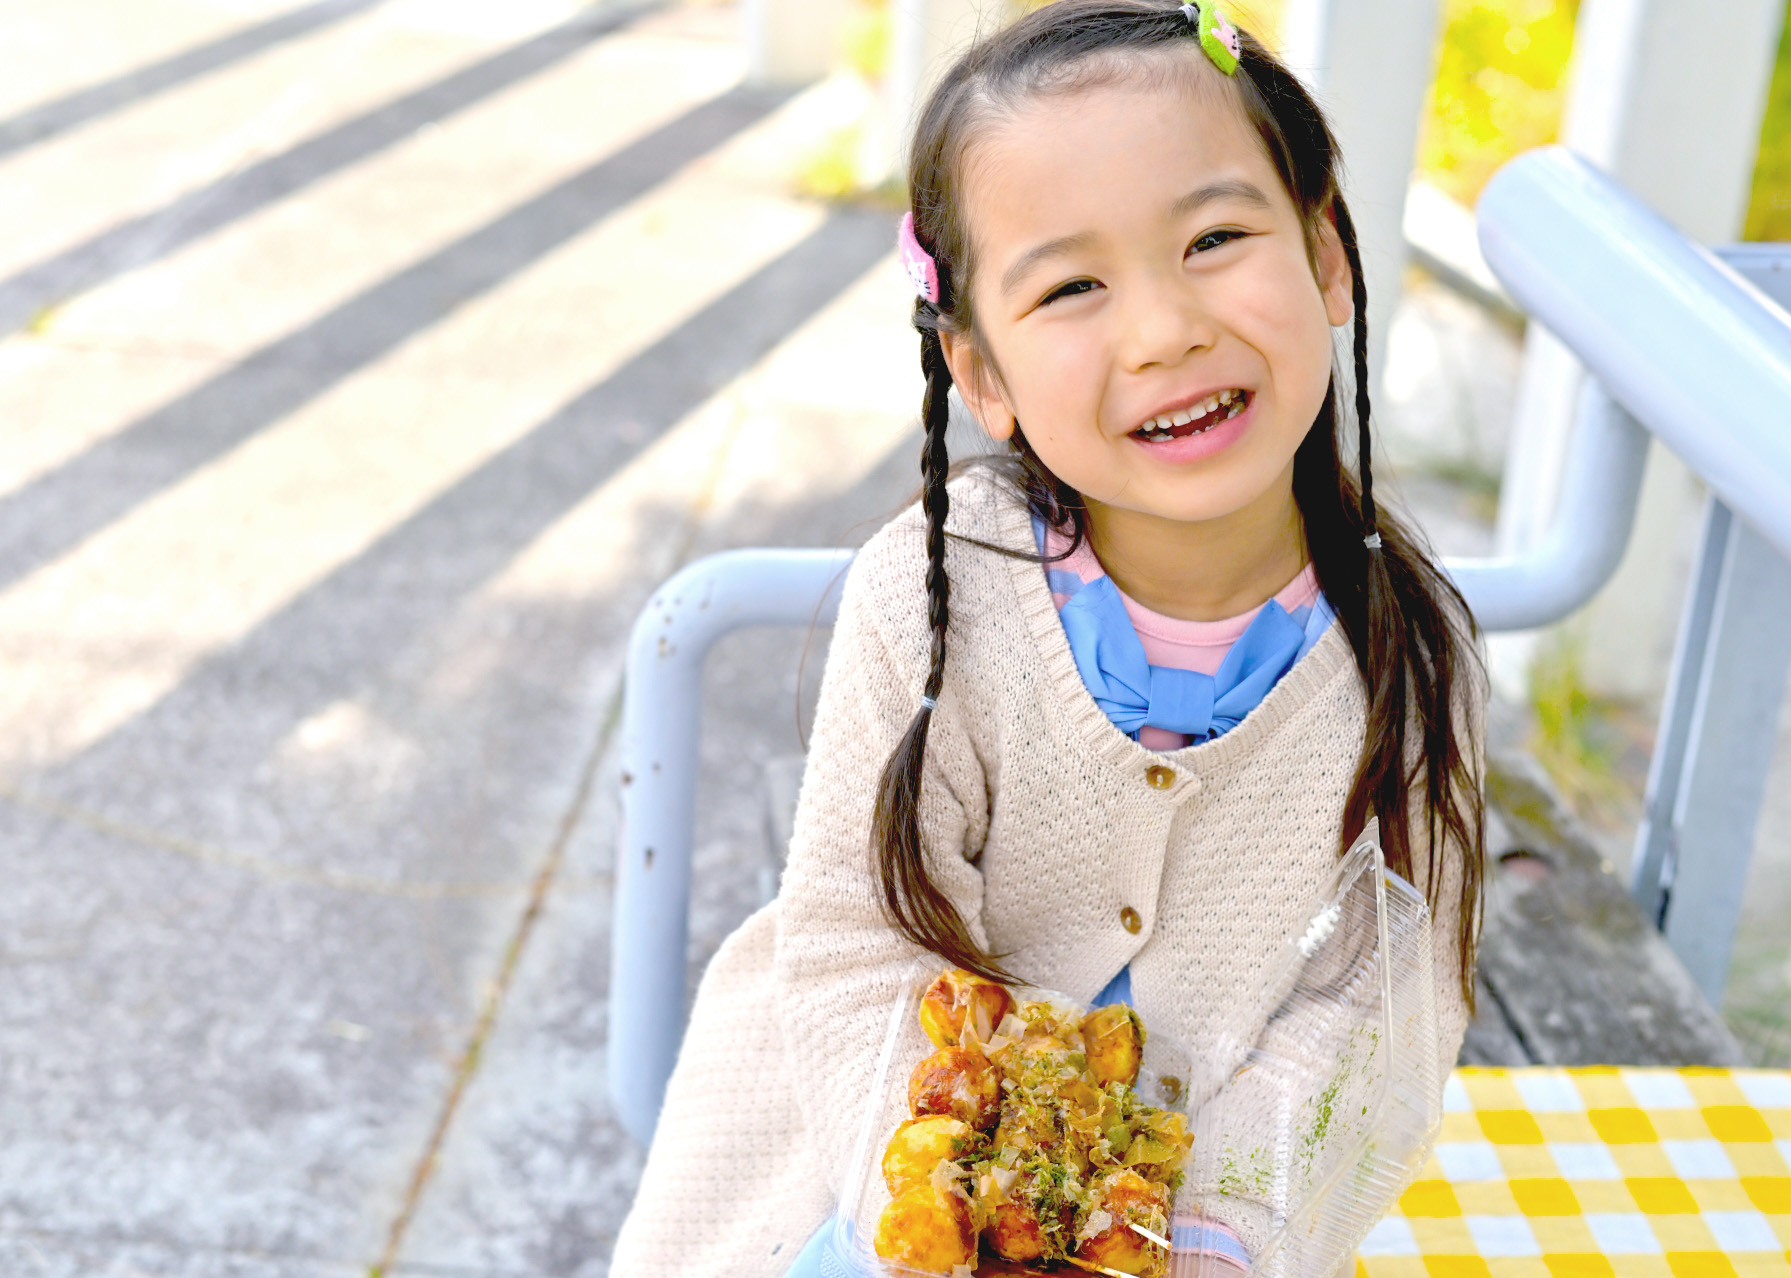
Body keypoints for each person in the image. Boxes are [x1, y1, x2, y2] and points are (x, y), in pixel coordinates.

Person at [609, 1, 1485, 1273]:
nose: (1165, 330)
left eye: (1216, 239)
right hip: (870, 1173)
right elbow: (858, 943)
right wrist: (947, 1211)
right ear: (983, 376)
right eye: (1073, 286)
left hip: (1203, 1223)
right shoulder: (934, 600)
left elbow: (1375, 1011)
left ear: (1326, 255)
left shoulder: (1412, 658)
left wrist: (1215, 1236)